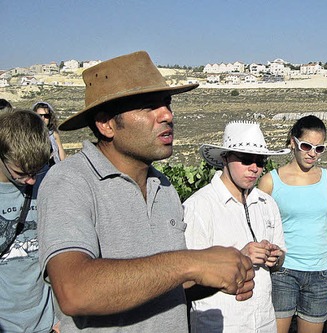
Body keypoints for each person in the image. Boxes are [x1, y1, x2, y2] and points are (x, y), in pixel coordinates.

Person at [37, 51, 255, 332]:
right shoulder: (70, 181)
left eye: (166, 103)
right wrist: (191, 263)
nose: (167, 115)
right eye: (148, 106)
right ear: (106, 124)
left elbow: (164, 282)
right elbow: (73, 291)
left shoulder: (163, 187)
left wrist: (217, 273)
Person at [183, 121, 289, 332]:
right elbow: (187, 278)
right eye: (246, 160)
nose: (255, 168)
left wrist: (275, 257)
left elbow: (280, 261)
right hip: (220, 325)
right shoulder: (199, 207)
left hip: (264, 322)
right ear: (225, 158)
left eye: (260, 161)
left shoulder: (267, 204)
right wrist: (238, 259)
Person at [258, 115, 327, 333]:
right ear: (292, 142)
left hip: (320, 274)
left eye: (319, 148)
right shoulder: (270, 182)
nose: (312, 153)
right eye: (306, 146)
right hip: (282, 272)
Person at [0, 110, 56, 332]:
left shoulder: (49, 181)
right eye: (21, 173)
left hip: (48, 322)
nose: (31, 180)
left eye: (37, 171)